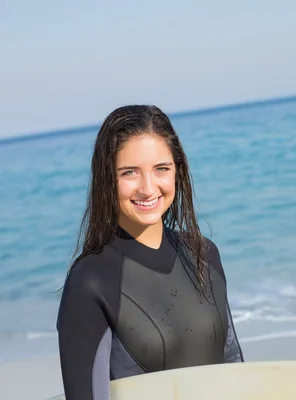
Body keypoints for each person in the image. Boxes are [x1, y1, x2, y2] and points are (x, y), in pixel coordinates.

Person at [56, 105, 243, 400]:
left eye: (161, 169)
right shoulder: (91, 280)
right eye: (129, 172)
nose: (147, 188)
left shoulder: (203, 253)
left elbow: (235, 370)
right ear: (106, 178)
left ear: (177, 171)